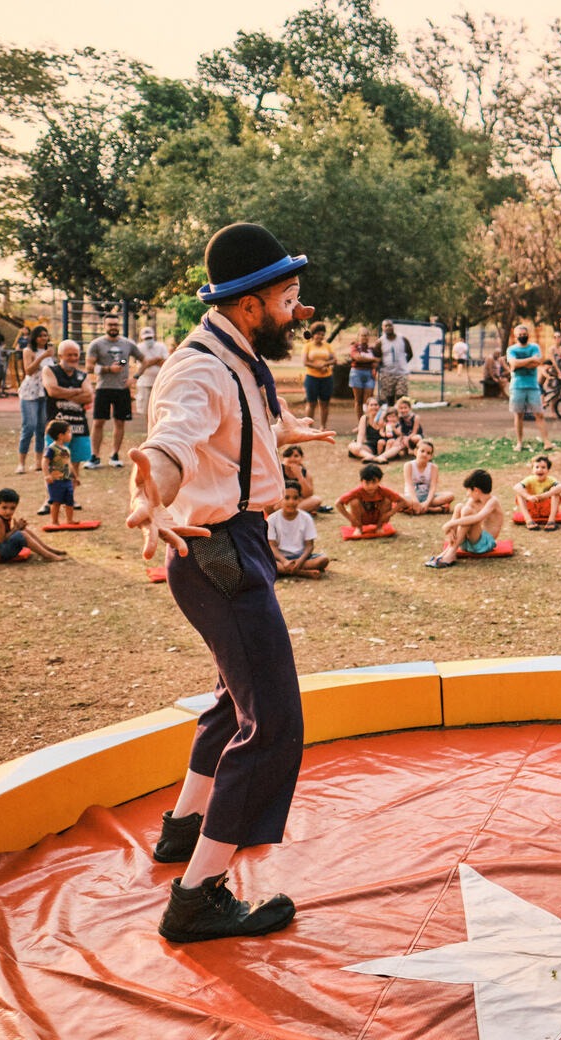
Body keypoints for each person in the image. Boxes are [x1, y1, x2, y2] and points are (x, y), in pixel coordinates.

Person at [126, 221, 334, 943]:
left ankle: (184, 829)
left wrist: (282, 434)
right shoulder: (200, 370)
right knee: (271, 722)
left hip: (234, 544)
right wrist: (151, 492)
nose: (299, 311)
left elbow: (233, 432)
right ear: (249, 305)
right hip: (216, 553)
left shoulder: (239, 354)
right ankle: (197, 897)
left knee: (232, 698)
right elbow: (174, 442)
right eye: (289, 298)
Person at [40, 340, 93, 502]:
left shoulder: (82, 375)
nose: (73, 358)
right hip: (57, 426)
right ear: (60, 356)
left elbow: (89, 396)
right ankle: (51, 499)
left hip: (78, 426)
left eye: (76, 355)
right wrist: (77, 391)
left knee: (74, 462)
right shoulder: (50, 370)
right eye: (69, 355)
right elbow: (52, 391)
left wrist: (65, 393)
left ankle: (70, 497)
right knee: (54, 463)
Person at [86, 316, 139, 469]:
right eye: (110, 324)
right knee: (98, 422)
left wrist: (134, 378)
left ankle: (115, 455)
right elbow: (89, 367)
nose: (113, 327)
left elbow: (144, 360)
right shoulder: (96, 344)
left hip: (122, 389)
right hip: (103, 388)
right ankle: (94, 456)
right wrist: (108, 369)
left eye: (116, 324)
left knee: (120, 422)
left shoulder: (127, 343)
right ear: (104, 325)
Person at [425, 468, 503, 568]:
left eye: (468, 490)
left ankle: (451, 552)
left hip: (484, 545)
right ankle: (449, 549)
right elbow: (462, 514)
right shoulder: (473, 500)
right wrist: (450, 530)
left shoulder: (493, 501)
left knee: (467, 511)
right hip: (469, 543)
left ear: (476, 490)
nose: (467, 494)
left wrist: (450, 523)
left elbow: (478, 518)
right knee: (459, 507)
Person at [506, 323, 555, 452]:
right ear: (515, 336)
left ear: (528, 335)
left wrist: (519, 364)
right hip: (517, 386)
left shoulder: (534, 347)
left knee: (539, 414)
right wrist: (529, 360)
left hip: (533, 386)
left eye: (524, 334)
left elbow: (537, 362)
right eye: (520, 334)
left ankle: (546, 442)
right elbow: (513, 363)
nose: (522, 336)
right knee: (519, 415)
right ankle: (519, 442)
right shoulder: (511, 349)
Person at [0, 488, 66, 562]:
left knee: (24, 530)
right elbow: (2, 540)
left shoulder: (3, 517)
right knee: (22, 534)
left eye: (12, 508)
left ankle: (48, 549)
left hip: (2, 549)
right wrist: (15, 528)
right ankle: (47, 555)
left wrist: (18, 528)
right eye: (4, 508)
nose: (8, 512)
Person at [267, 481, 328, 578]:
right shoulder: (272, 519)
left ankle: (287, 570)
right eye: (287, 498)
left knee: (323, 560)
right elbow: (272, 546)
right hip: (280, 558)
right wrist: (284, 561)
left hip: (301, 557)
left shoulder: (306, 518)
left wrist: (300, 561)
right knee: (265, 562)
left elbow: (309, 546)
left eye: (295, 498)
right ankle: (303, 573)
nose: (291, 502)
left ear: (300, 499)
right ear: (280, 499)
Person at [16, 326, 51, 475]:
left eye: (45, 335)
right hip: (30, 392)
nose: (44, 338)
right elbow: (28, 371)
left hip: (44, 392)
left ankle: (38, 462)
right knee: (29, 426)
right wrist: (42, 357)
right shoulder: (28, 351)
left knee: (41, 428)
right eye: (41, 335)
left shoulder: (50, 352)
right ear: (35, 337)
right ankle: (21, 463)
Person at [336, 462, 405, 531]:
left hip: (379, 518)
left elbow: (402, 501)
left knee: (387, 501)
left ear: (379, 481)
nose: (370, 486)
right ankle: (359, 528)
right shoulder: (357, 492)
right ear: (361, 481)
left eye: (374, 482)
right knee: (354, 502)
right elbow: (338, 503)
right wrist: (351, 518)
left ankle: (379, 527)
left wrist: (389, 514)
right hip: (361, 519)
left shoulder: (383, 491)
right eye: (367, 483)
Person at [513, 454, 561, 530]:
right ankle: (528, 521)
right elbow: (516, 487)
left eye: (543, 467)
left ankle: (551, 521)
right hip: (532, 510)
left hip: (547, 510)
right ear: (532, 470)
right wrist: (528, 496)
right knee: (520, 494)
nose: (540, 470)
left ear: (548, 470)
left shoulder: (551, 480)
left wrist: (545, 495)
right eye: (537, 467)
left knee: (555, 491)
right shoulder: (529, 479)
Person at [403, 439, 454, 514]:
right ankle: (436, 509)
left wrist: (427, 502)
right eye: (422, 451)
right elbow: (409, 484)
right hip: (411, 497)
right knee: (398, 499)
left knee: (450, 495)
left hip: (427, 496)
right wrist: (415, 501)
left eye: (428, 453)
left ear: (431, 456)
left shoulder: (433, 467)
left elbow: (433, 486)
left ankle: (423, 508)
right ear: (415, 452)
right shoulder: (408, 465)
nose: (424, 454)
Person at [300, 322, 335, 430]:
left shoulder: (327, 346)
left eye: (322, 334)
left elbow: (334, 360)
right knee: (311, 403)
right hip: (312, 377)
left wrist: (325, 364)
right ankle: (309, 427)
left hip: (326, 378)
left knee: (325, 403)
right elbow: (305, 362)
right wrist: (317, 366)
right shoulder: (308, 346)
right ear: (313, 334)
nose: (320, 336)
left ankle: (323, 427)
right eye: (318, 334)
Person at [42, 419, 78, 526]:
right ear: (61, 435)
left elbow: (68, 464)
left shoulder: (66, 449)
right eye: (68, 432)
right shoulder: (52, 449)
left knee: (69, 500)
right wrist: (47, 475)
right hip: (56, 480)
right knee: (56, 501)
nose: (71, 434)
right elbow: (45, 462)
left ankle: (70, 519)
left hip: (67, 480)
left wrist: (75, 476)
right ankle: (54, 521)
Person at [134, 327, 169, 421]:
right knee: (146, 410)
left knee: (160, 408)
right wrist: (156, 359)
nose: (148, 340)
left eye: (150, 338)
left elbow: (165, 363)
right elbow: (141, 365)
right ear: (142, 338)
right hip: (144, 382)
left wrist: (148, 363)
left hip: (160, 382)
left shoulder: (161, 346)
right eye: (146, 338)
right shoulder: (139, 347)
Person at [375, 319, 413, 407]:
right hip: (387, 373)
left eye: (390, 325)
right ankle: (391, 412)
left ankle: (401, 412)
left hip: (401, 373)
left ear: (393, 327)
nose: (388, 327)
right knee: (389, 397)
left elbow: (410, 354)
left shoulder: (402, 339)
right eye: (386, 326)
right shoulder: (380, 342)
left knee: (401, 395)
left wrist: (403, 363)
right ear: (382, 328)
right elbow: (377, 356)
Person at [347, 325, 378, 415]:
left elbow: (377, 362)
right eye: (363, 335)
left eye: (367, 335)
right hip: (357, 373)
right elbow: (358, 358)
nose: (365, 337)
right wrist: (373, 359)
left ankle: (368, 419)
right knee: (358, 400)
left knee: (368, 400)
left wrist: (373, 363)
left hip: (369, 374)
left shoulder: (372, 349)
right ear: (358, 336)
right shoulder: (354, 347)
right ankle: (360, 421)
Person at [347, 397, 386, 463]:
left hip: (381, 445)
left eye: (376, 405)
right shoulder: (364, 418)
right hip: (369, 446)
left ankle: (371, 456)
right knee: (352, 445)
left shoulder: (384, 418)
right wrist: (359, 444)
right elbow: (361, 434)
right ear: (367, 407)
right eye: (371, 405)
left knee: (356, 449)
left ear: (379, 407)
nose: (374, 407)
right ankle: (372, 457)